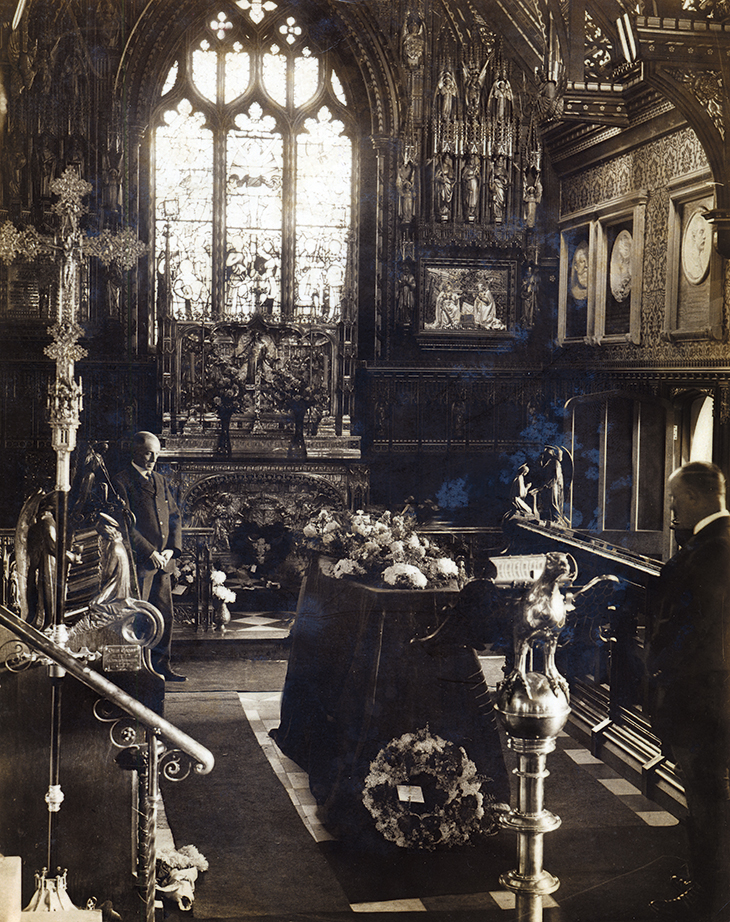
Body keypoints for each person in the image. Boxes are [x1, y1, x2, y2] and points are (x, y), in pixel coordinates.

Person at [645, 461, 730, 921]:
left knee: (706, 803)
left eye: (676, 502)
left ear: (696, 499)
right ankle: (708, 884)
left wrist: (655, 671)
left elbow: (690, 629)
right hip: (709, 697)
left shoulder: (713, 549)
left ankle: (709, 897)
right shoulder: (711, 544)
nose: (673, 512)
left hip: (703, 700)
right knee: (705, 800)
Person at [113, 431, 186, 682]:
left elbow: (175, 517)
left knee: (165, 615)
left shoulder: (161, 481)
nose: (153, 457)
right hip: (140, 564)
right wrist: (150, 551)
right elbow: (124, 525)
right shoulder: (121, 481)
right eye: (147, 452)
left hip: (163, 564)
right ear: (135, 452)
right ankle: (138, 669)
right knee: (139, 616)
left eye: (156, 453)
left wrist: (170, 550)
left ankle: (161, 666)